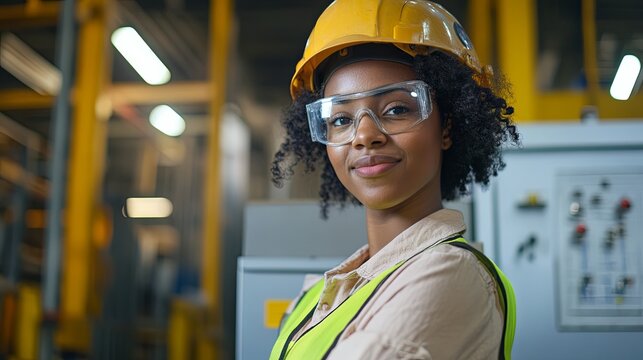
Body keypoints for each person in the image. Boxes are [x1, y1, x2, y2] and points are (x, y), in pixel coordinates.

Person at [270, 0, 519, 359]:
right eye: (340, 119)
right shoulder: (320, 295)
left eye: (397, 109)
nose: (364, 135)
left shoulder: (448, 274)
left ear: (447, 125)